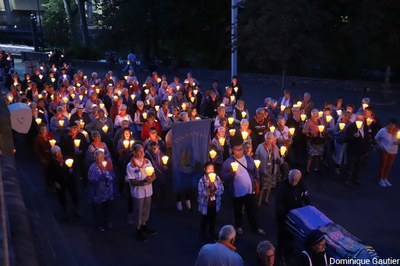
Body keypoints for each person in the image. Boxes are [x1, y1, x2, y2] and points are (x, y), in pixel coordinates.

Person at [221, 140, 265, 236]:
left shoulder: (249, 159)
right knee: (238, 210)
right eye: (237, 150)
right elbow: (223, 176)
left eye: (241, 149)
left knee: (252, 210)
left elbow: (255, 172)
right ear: (232, 150)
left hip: (249, 190)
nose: (239, 151)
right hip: (237, 192)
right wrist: (231, 174)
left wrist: (257, 182)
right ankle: (238, 226)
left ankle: (255, 227)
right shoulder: (228, 162)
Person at [275, 169, 310, 264]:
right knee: (282, 235)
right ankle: (280, 252)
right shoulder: (283, 186)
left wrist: (309, 209)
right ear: (289, 177)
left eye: (296, 180)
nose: (294, 182)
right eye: (292, 180)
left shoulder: (301, 185)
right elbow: (279, 203)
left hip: (296, 215)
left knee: (292, 234)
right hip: (285, 215)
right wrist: (283, 217)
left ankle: (289, 250)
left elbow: (306, 198)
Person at [126, 143, 157, 241]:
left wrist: (150, 179)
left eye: (143, 151)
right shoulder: (130, 166)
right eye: (140, 151)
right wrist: (143, 182)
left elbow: (154, 175)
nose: (143, 153)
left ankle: (144, 225)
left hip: (148, 191)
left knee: (146, 210)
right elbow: (132, 181)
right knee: (138, 211)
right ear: (134, 152)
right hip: (138, 193)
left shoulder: (147, 161)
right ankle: (138, 230)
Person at [49, 146, 81, 220]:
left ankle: (76, 209)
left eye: (59, 152)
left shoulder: (65, 159)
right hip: (60, 181)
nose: (59, 154)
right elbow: (51, 174)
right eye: (56, 152)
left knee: (74, 194)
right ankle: (65, 212)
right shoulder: (52, 162)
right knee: (62, 197)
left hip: (69, 180)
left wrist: (71, 170)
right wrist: (55, 182)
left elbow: (73, 167)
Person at [88, 149, 116, 231]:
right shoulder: (92, 167)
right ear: (95, 157)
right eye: (99, 157)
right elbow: (90, 179)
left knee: (108, 208)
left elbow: (113, 174)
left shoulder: (107, 164)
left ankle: (107, 221)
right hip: (98, 193)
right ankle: (99, 224)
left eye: (102, 156)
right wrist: (98, 178)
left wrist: (109, 177)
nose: (101, 158)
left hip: (108, 192)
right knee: (98, 209)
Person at [255, 132, 286, 206]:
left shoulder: (275, 147)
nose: (268, 140)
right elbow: (256, 157)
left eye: (270, 138)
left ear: (273, 139)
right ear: (265, 138)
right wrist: (257, 167)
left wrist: (281, 159)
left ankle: (266, 199)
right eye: (267, 138)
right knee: (263, 186)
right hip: (264, 169)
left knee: (270, 186)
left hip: (272, 169)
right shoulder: (260, 146)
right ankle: (259, 200)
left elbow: (278, 158)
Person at [197, 162, 224, 241]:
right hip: (205, 204)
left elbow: (221, 189)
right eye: (209, 169)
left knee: (213, 219)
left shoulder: (217, 178)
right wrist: (208, 192)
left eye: (212, 169)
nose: (211, 171)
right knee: (204, 220)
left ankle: (212, 232)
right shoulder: (202, 180)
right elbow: (200, 193)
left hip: (214, 203)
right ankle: (203, 235)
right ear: (205, 170)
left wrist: (214, 190)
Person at [345, 113, 370, 186]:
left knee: (359, 166)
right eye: (359, 119)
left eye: (362, 119)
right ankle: (348, 180)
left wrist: (367, 149)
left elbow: (366, 139)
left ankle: (356, 179)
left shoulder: (365, 127)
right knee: (350, 166)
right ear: (356, 119)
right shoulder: (351, 128)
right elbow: (346, 139)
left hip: (361, 151)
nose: (361, 121)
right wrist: (353, 136)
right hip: (353, 151)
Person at [375, 119, 399, 187]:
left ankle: (385, 178)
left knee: (389, 166)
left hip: (393, 151)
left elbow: (398, 142)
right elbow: (376, 138)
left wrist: (398, 139)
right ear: (387, 124)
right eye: (390, 124)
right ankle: (381, 179)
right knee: (383, 164)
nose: (391, 126)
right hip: (384, 150)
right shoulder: (383, 130)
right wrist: (380, 146)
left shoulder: (397, 132)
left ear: (395, 126)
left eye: (393, 125)